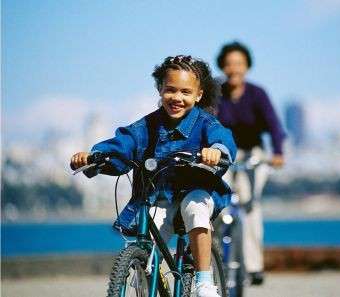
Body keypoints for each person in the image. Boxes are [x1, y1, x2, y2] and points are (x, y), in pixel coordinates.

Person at [71, 55, 237, 297]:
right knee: (144, 242)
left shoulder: (205, 123)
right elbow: (122, 145)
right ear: (160, 89)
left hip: (196, 192)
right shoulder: (145, 126)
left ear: (199, 95)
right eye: (170, 90)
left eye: (185, 92)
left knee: (195, 208)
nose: (177, 98)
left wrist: (216, 152)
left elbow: (224, 141)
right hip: (158, 198)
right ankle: (144, 282)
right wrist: (95, 157)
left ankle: (203, 280)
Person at [215, 41, 286, 285]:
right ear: (223, 66)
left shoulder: (257, 93)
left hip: (253, 154)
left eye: (239, 63)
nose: (234, 68)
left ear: (247, 67)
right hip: (223, 155)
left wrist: (278, 153)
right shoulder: (216, 93)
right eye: (229, 63)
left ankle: (254, 266)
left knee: (249, 205)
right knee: (218, 203)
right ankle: (216, 258)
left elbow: (275, 127)